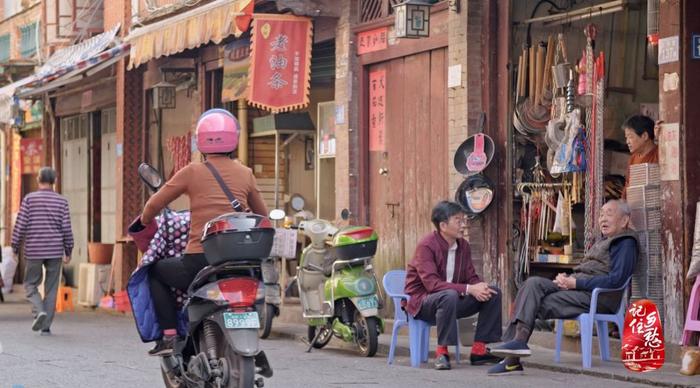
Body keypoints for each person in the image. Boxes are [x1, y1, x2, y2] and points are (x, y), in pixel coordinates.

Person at [139, 109, 268, 356]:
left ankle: (168, 335)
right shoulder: (246, 173)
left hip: (200, 261)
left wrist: (145, 221)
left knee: (155, 272)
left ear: (201, 142)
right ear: (234, 140)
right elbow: (262, 216)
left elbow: (154, 204)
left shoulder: (192, 172)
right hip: (241, 263)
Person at [488, 199, 638, 375]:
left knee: (532, 302)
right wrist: (567, 278)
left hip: (597, 298)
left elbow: (616, 280)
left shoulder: (625, 243)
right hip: (578, 289)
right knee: (532, 283)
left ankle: (511, 357)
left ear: (624, 220)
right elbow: (590, 270)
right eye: (601, 214)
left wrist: (576, 283)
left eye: (609, 214)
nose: (603, 219)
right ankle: (516, 347)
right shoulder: (604, 240)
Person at [404, 201, 502, 370]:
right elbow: (432, 285)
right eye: (458, 221)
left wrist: (479, 286)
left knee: (493, 293)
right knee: (448, 295)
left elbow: (470, 276)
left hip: (451, 302)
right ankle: (442, 352)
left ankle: (479, 350)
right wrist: (469, 289)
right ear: (443, 225)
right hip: (423, 304)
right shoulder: (426, 246)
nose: (463, 225)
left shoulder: (463, 246)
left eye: (463, 220)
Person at [11, 167, 73, 336]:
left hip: (34, 250)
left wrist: (15, 247)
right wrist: (68, 249)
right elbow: (66, 228)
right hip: (54, 250)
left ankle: (39, 311)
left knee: (30, 284)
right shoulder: (62, 202)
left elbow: (20, 225)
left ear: (38, 180)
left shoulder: (29, 200)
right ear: (54, 181)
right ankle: (45, 325)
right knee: (52, 288)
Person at [622, 115, 658, 198]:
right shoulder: (633, 158)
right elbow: (628, 185)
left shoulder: (659, 154)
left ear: (644, 136)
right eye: (626, 137)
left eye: (630, 137)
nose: (627, 142)